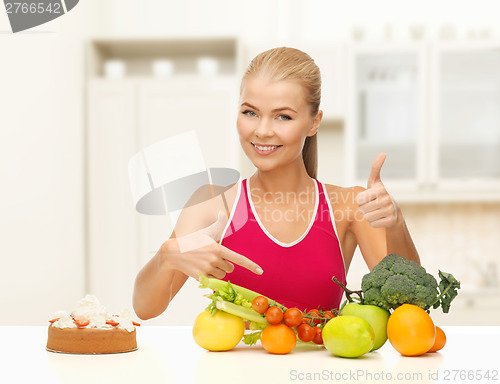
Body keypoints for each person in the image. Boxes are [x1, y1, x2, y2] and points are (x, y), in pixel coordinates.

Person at [133, 47, 420, 320]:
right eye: (250, 112)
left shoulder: (349, 206)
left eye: (283, 116)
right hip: (229, 372)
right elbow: (145, 308)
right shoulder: (209, 203)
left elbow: (411, 306)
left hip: (312, 373)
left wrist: (396, 223)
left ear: (313, 122)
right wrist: (168, 254)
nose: (262, 130)